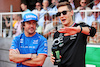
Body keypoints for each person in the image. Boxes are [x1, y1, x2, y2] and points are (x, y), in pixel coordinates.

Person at [50, 2, 96, 67]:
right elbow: (57, 52)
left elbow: (93, 31)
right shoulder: (57, 34)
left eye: (64, 12)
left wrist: (78, 30)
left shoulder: (80, 27)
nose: (62, 16)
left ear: (71, 12)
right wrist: (53, 57)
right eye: (59, 14)